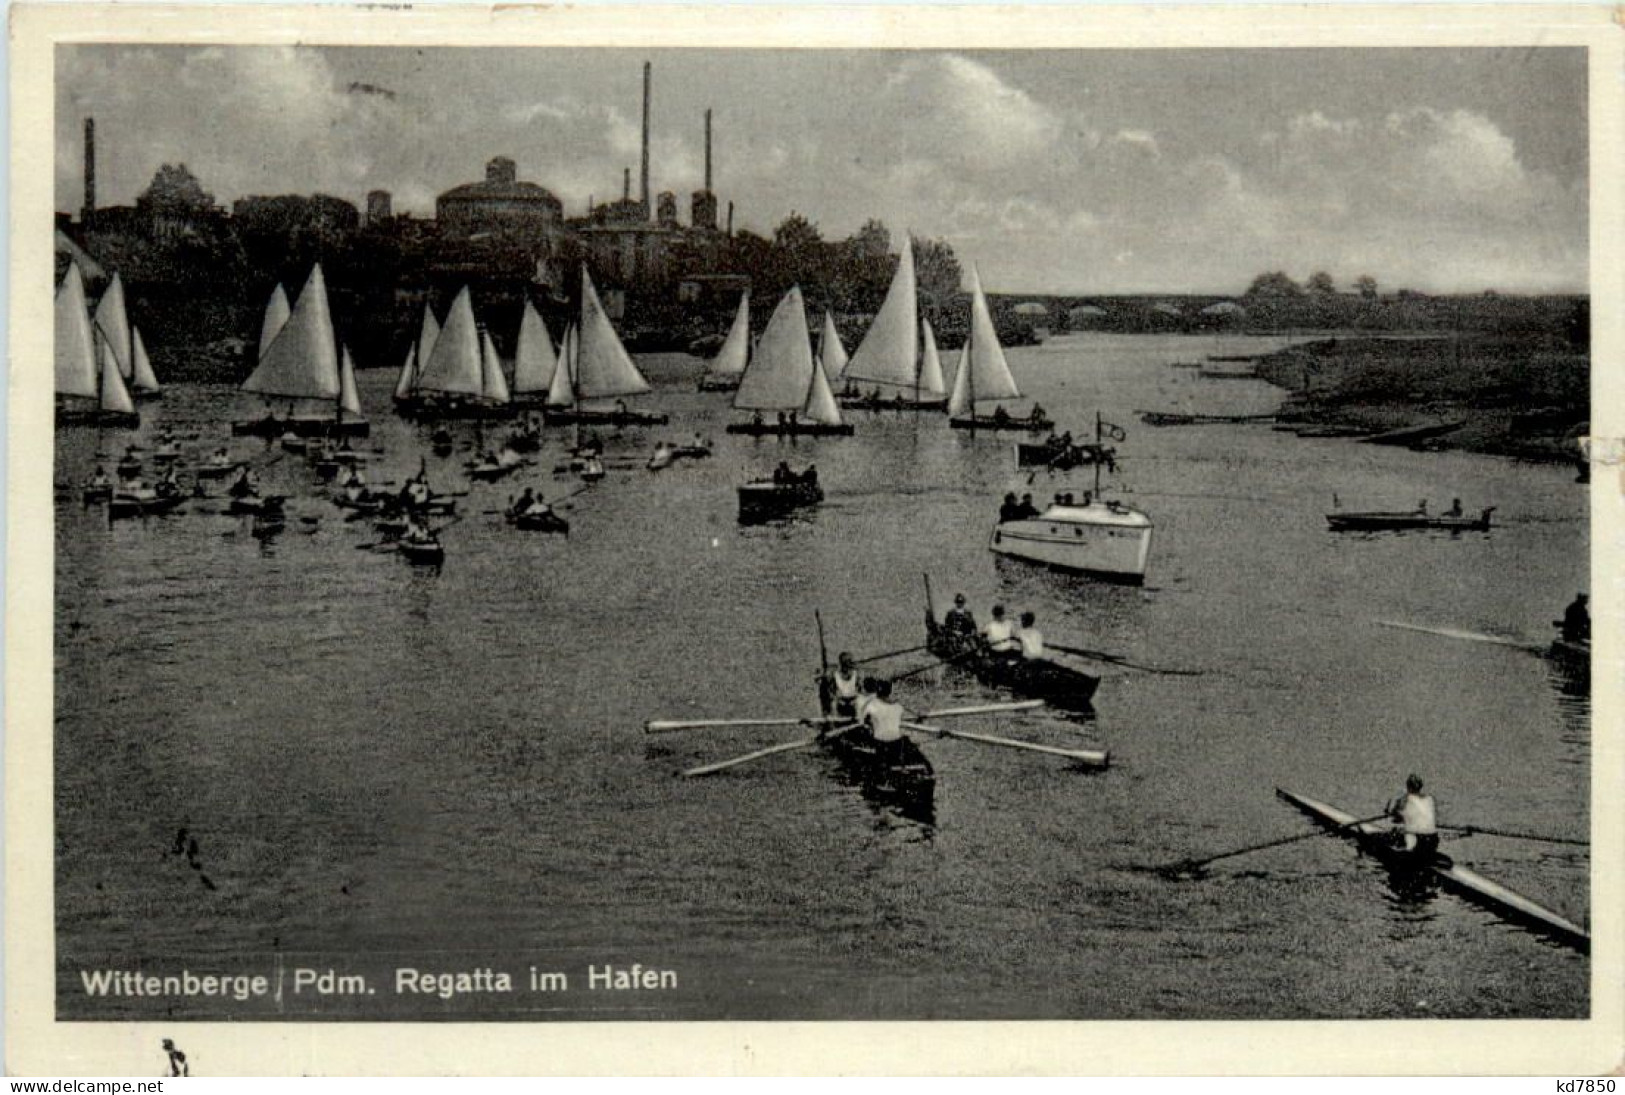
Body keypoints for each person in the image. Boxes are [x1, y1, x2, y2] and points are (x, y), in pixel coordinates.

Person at [1386, 774, 1440, 858]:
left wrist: (1391, 811)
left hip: (1415, 841)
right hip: (1433, 840)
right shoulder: (1430, 798)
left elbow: (1395, 816)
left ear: (1408, 786)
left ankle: (1406, 853)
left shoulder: (1405, 799)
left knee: (1395, 833)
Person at [863, 679, 906, 754]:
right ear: (890, 692)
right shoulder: (899, 707)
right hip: (897, 742)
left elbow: (863, 718)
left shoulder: (872, 706)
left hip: (880, 742)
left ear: (877, 693)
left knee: (868, 727)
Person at [828, 653, 861, 719]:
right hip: (841, 703)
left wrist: (855, 700)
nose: (850, 664)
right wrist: (837, 699)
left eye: (850, 661)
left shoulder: (855, 674)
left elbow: (859, 689)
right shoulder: (835, 675)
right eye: (848, 662)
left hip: (853, 703)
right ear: (842, 663)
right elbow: (831, 691)